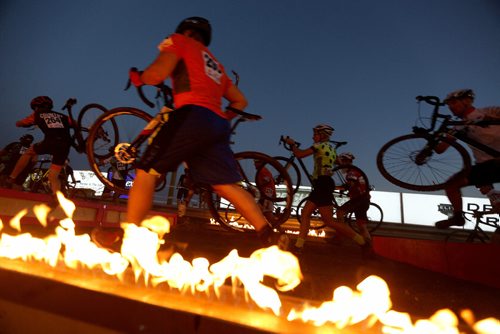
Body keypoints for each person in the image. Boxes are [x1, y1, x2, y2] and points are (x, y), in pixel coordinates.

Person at [91, 17, 288, 251]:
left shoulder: (179, 41)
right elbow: (240, 100)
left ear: (184, 32)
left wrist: (139, 77)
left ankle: (130, 240)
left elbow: (156, 74)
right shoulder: (216, 65)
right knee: (225, 184)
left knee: (145, 171)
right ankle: (268, 235)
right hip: (216, 124)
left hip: (191, 114)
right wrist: (219, 120)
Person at [284, 125, 372, 255]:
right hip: (323, 183)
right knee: (306, 213)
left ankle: (363, 242)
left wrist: (292, 144)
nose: (313, 136)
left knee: (329, 220)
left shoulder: (319, 146)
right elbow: (340, 164)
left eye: (315, 134)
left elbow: (299, 154)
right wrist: (327, 167)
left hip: (323, 183)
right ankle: (299, 246)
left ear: (322, 135)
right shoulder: (331, 149)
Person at [434, 89, 500, 229]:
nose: (451, 107)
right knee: (451, 185)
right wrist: (431, 140)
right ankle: (458, 218)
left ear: (467, 101)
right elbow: (440, 149)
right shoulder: (458, 126)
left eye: (454, 103)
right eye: (449, 104)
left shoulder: (490, 111)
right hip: (486, 166)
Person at [1, 96, 74, 205]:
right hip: (65, 146)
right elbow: (76, 124)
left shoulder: (37, 114)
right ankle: (57, 197)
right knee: (53, 175)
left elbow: (21, 123)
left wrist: (19, 123)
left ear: (37, 107)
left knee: (30, 152)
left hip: (50, 142)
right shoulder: (63, 116)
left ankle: (12, 178)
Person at [335, 152, 372, 241]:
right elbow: (355, 186)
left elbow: (349, 185)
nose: (340, 166)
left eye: (341, 163)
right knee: (362, 226)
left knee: (340, 212)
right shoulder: (355, 171)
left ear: (346, 162)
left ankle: (339, 237)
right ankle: (368, 247)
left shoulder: (352, 173)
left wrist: (332, 187)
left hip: (359, 199)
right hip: (364, 199)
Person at [253, 159, 278, 224]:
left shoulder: (262, 170)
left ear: (261, 163)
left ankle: (279, 230)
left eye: (256, 162)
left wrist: (258, 187)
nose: (254, 164)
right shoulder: (263, 170)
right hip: (267, 193)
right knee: (264, 213)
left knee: (267, 213)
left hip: (267, 194)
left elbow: (267, 180)